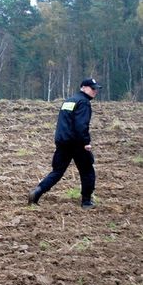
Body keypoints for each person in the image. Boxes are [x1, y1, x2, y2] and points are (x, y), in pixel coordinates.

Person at [28, 78, 102, 209]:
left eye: (96, 88)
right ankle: (86, 202)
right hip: (77, 143)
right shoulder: (84, 102)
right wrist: (86, 142)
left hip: (62, 142)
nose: (95, 91)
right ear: (83, 87)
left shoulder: (69, 101)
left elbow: (63, 123)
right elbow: (81, 125)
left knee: (57, 171)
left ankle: (37, 192)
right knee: (87, 171)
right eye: (92, 88)